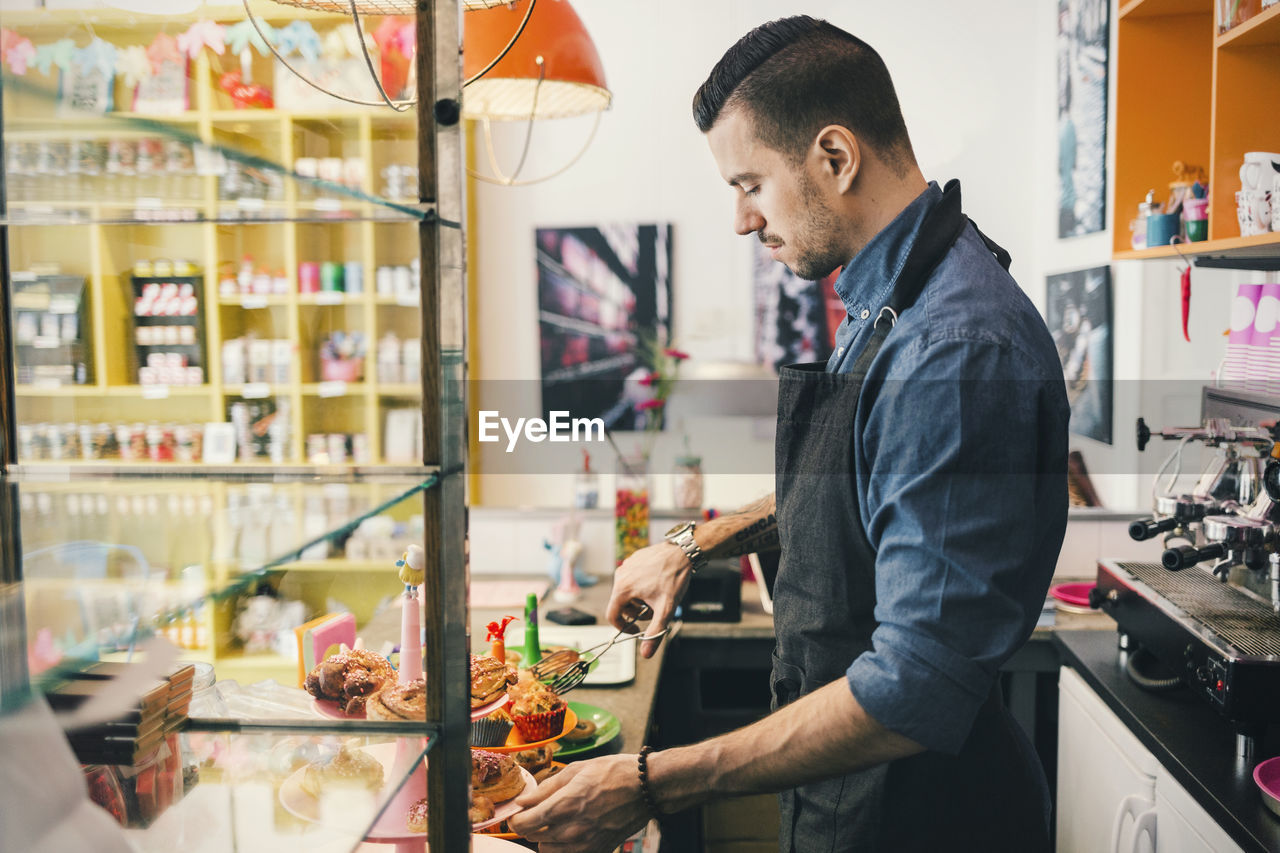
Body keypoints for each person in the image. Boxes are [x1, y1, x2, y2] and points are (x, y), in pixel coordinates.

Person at [509, 16, 1069, 853]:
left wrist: (646, 780)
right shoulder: (893, 297)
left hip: (924, 817)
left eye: (750, 184)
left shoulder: (955, 348)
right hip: (854, 793)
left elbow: (914, 683)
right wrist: (696, 544)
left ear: (835, 158)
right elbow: (857, 481)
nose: (741, 220)